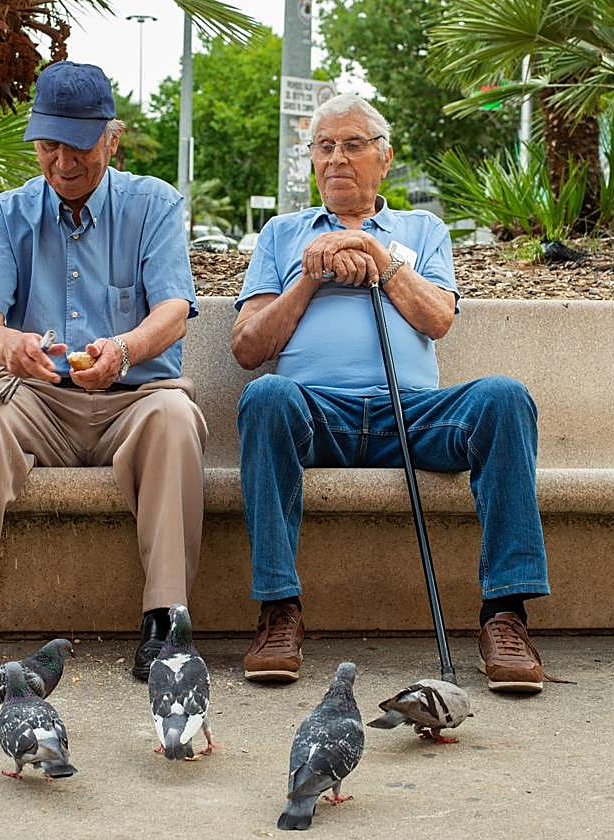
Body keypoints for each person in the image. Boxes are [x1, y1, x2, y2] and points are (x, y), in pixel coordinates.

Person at [231, 93, 551, 693]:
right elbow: (248, 348)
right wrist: (311, 277)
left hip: (414, 416)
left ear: (384, 157)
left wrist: (378, 258)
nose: (336, 158)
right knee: (266, 396)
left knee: (504, 398)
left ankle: (505, 616)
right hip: (316, 413)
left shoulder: (422, 230)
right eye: (324, 146)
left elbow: (437, 319)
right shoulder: (282, 234)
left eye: (352, 145)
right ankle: (279, 612)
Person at [0, 61, 207, 679]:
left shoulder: (154, 205)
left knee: (175, 417)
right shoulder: (8, 214)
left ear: (111, 139)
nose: (63, 161)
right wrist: (11, 347)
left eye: (78, 145)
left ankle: (167, 621)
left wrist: (124, 350)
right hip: (40, 399)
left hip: (136, 398)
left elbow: (174, 313)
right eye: (49, 144)